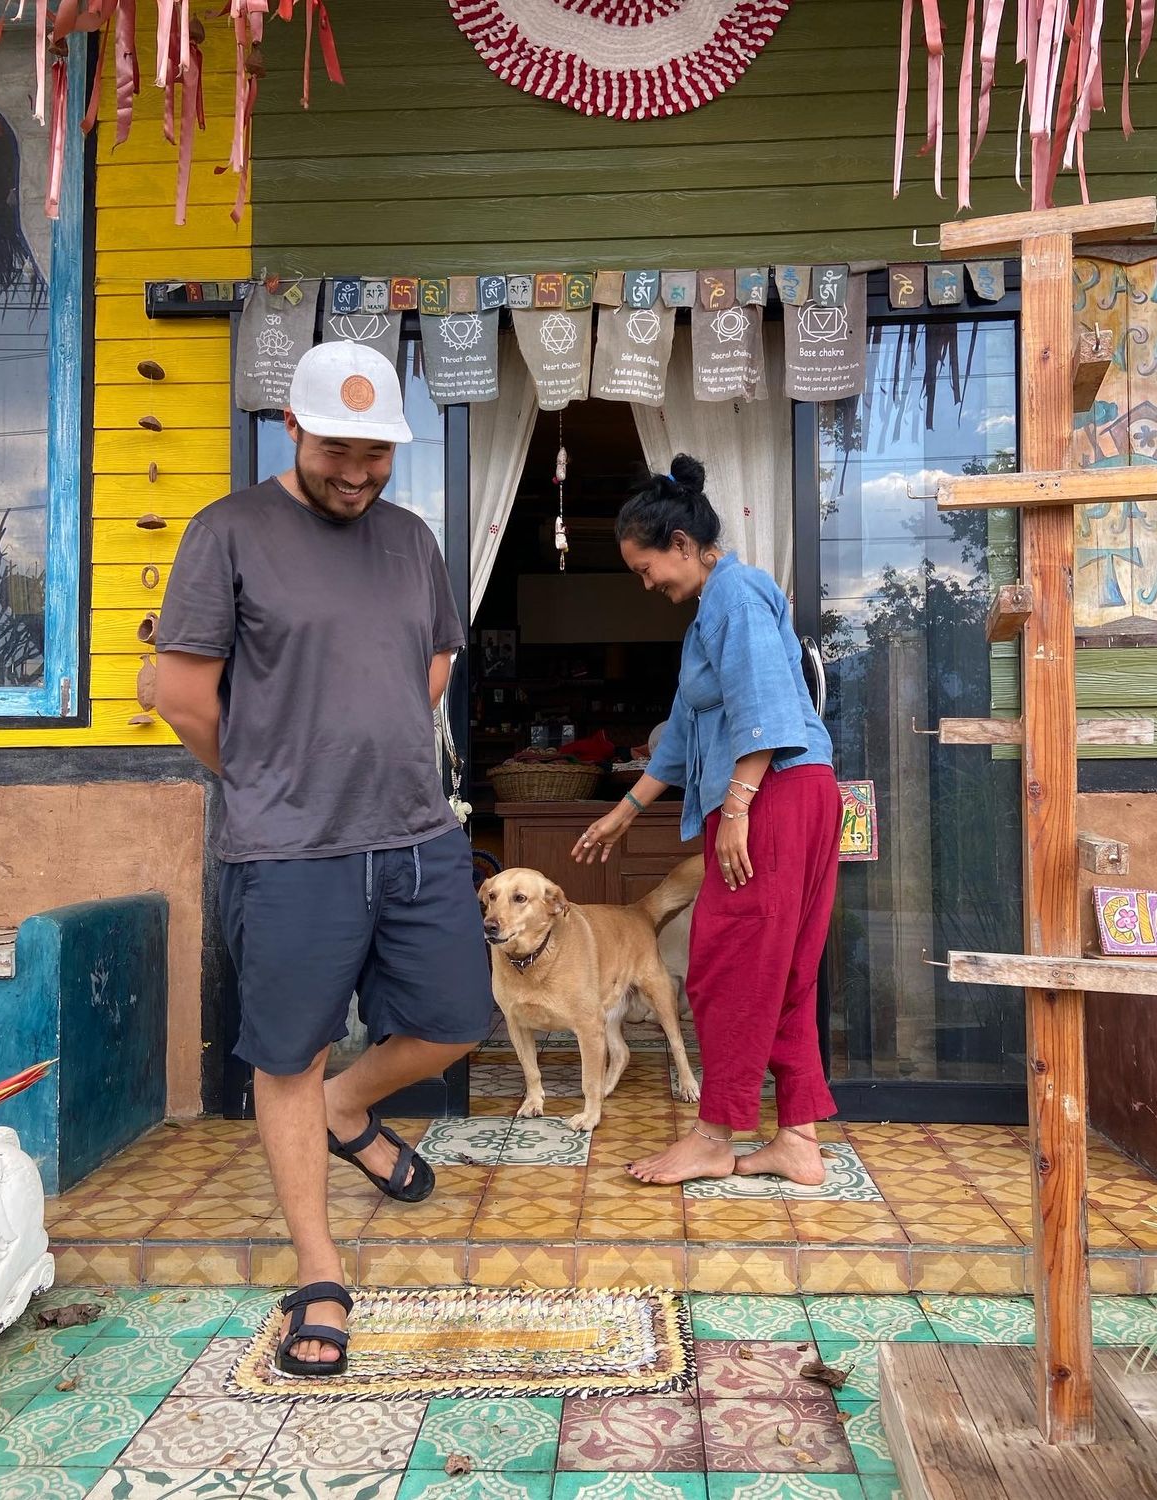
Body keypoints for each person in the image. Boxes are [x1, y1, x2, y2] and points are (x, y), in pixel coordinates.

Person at [156, 341, 493, 1377]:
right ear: (294, 428)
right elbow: (177, 692)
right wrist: (265, 779)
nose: (359, 471)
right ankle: (318, 1270)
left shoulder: (410, 539)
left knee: (455, 1019)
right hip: (289, 847)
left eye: (378, 453)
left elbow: (430, 664)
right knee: (286, 1054)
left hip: (416, 830)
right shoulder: (229, 534)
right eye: (339, 449)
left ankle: (355, 1107)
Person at [572, 453, 841, 1188]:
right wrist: (623, 814)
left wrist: (739, 808)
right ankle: (798, 1140)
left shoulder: (738, 593)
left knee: (726, 966)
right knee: (780, 969)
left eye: (645, 566)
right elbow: (688, 737)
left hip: (776, 793)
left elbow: (766, 706)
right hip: (791, 791)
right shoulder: (708, 619)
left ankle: (717, 1134)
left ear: (683, 546)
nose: (647, 581)